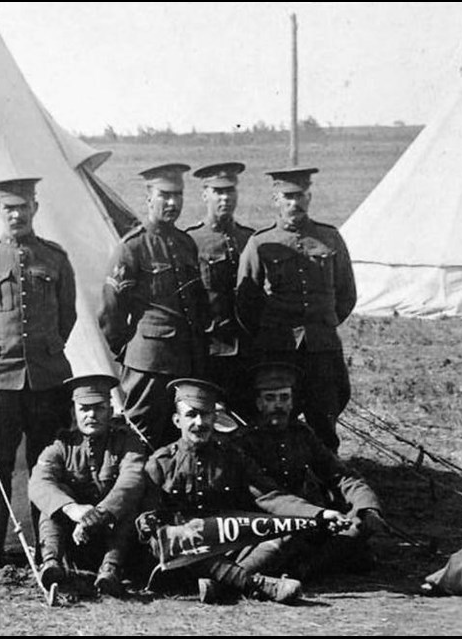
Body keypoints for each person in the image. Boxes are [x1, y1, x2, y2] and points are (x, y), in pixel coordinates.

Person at [138, 378, 350, 604]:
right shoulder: (161, 462)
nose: (199, 423)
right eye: (191, 415)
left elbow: (270, 496)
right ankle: (256, 584)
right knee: (167, 540)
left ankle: (222, 586)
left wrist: (319, 514)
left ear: (215, 418)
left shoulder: (232, 457)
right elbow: (147, 518)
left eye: (206, 415)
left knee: (290, 528)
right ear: (177, 420)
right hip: (184, 554)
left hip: (229, 546)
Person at [0, 176, 77, 577]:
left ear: (34, 209)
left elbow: (68, 317)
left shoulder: (55, 258)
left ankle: (50, 553)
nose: (16, 214)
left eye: (23, 207)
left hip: (47, 380)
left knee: (46, 466)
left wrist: (44, 351)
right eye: (8, 207)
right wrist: (2, 352)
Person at [235, 167, 357, 452]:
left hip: (321, 349)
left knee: (324, 417)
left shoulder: (330, 239)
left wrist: (323, 325)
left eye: (300, 196)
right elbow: (245, 303)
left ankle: (328, 482)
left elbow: (346, 294)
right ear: (275, 200)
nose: (294, 203)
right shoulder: (260, 243)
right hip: (278, 349)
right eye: (287, 197)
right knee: (276, 418)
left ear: (309, 196)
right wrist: (270, 333)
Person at [234, 362, 385, 579]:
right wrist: (318, 514)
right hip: (268, 522)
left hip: (312, 520)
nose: (278, 405)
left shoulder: (302, 434)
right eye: (270, 398)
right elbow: (269, 497)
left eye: (284, 398)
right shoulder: (243, 442)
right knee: (288, 539)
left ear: (292, 402)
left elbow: (341, 475)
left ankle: (302, 569)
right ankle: (252, 575)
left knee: (360, 525)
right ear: (258, 403)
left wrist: (366, 507)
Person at [98, 163, 209, 450]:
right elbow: (112, 313)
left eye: (178, 196)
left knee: (179, 439)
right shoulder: (132, 248)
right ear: (149, 198)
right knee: (140, 437)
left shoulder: (186, 244)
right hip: (148, 364)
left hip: (184, 362)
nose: (172, 203)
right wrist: (132, 351)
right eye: (164, 195)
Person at [28, 374, 146, 597]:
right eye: (84, 409)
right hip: (73, 539)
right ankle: (51, 563)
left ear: (110, 412)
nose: (91, 415)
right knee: (54, 498)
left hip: (113, 537)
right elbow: (39, 482)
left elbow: (132, 481)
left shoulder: (126, 443)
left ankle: (111, 570)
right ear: (74, 413)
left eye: (99, 408)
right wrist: (72, 509)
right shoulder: (61, 446)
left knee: (129, 504)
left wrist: (97, 516)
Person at [186, 162, 255, 419]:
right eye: (218, 191)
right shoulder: (191, 241)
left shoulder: (249, 239)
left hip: (246, 347)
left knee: (246, 413)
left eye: (230, 191)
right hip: (209, 348)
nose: (225, 198)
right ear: (205, 194)